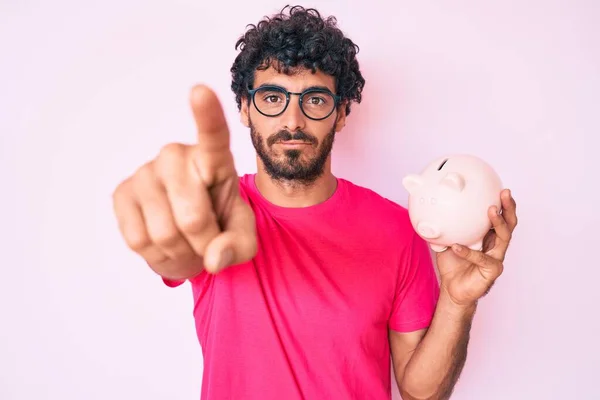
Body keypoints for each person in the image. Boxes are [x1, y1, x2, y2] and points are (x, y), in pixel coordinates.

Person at [112, 5, 518, 400]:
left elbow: (420, 394)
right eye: (273, 98)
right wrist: (160, 216)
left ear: (340, 113)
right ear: (244, 108)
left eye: (315, 100)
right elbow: (174, 256)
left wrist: (457, 302)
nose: (293, 121)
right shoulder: (216, 210)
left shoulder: (398, 228)